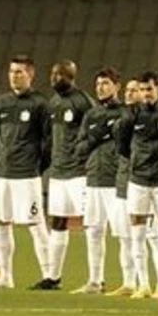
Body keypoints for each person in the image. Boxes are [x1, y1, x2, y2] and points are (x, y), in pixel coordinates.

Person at [0, 55, 52, 290]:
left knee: (35, 224)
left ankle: (49, 275)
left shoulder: (40, 104)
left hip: (26, 175)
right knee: (1, 223)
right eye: (12, 71)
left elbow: (48, 142)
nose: (14, 76)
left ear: (31, 75)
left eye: (20, 72)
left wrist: (36, 167)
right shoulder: (1, 102)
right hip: (1, 173)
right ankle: (5, 276)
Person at [41, 60, 94, 291]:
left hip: (79, 172)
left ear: (71, 75)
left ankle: (96, 278)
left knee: (90, 224)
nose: (53, 78)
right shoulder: (52, 103)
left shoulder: (83, 102)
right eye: (52, 74)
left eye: (58, 75)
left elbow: (94, 133)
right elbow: (50, 137)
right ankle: (53, 277)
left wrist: (86, 162)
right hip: (58, 171)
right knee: (58, 221)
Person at [72, 68, 125, 295]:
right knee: (93, 231)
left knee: (123, 234)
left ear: (117, 86)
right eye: (98, 84)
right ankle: (95, 280)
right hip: (94, 180)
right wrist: (98, 135)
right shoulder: (91, 116)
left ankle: (130, 281)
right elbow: (79, 149)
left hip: (116, 181)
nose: (101, 88)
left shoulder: (126, 113)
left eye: (105, 83)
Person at [117, 71, 158, 299]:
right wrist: (140, 161)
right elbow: (123, 148)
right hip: (138, 180)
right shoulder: (130, 118)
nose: (145, 94)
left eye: (149, 89)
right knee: (137, 234)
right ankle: (143, 284)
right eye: (142, 89)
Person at [105, 79, 142, 297]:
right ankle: (129, 282)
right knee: (124, 237)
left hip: (144, 183)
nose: (129, 93)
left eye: (134, 90)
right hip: (122, 184)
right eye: (127, 90)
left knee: (153, 238)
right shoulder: (121, 119)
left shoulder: (149, 118)